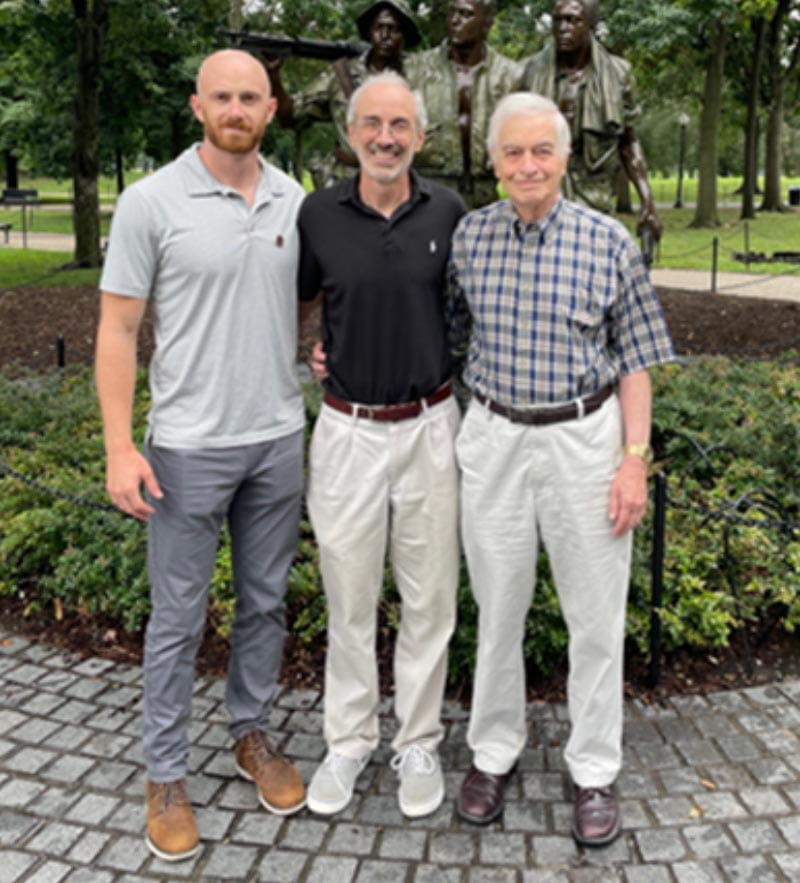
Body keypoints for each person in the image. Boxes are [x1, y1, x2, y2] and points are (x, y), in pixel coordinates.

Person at [95, 49, 307, 862]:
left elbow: (305, 301)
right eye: (222, 95)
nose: (236, 107)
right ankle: (165, 771)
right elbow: (116, 330)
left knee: (264, 601)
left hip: (278, 437)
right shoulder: (151, 201)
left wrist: (318, 355)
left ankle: (249, 731)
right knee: (178, 617)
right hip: (185, 446)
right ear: (197, 106)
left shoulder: (295, 198)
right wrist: (120, 445)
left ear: (271, 108)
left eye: (250, 96)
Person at [449, 92, 674, 846]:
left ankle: (594, 768)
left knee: (595, 617)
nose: (527, 164)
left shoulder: (608, 240)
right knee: (498, 610)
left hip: (585, 439)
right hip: (493, 439)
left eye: (541, 150)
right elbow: (442, 335)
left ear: (566, 157)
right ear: (493, 161)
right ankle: (492, 753)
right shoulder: (470, 239)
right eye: (512, 152)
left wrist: (633, 460)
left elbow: (639, 358)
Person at [297, 71, 464, 819]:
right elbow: (305, 298)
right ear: (351, 133)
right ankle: (349, 739)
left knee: (430, 600)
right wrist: (315, 346)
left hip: (432, 427)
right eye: (372, 123)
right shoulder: (318, 214)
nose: (385, 137)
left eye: (399, 124)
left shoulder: (453, 211)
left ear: (420, 136)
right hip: (347, 432)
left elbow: (468, 306)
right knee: (349, 596)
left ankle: (418, 739)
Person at [523, 0, 662, 244]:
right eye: (558, 20)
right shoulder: (528, 72)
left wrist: (647, 201)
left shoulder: (618, 74)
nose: (563, 28)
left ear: (591, 25)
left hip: (594, 201)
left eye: (573, 20)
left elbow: (628, 143)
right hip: (540, 199)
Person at [268, 0, 421, 185]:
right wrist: (273, 74)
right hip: (346, 183)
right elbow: (289, 115)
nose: (385, 36)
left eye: (393, 29)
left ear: (405, 36)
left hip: (400, 183)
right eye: (378, 28)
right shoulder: (342, 74)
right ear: (369, 32)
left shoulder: (420, 77)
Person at [405, 0, 523, 208]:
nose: (455, 21)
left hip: (489, 194)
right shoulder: (414, 70)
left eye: (465, 14)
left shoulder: (511, 76)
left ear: (486, 22)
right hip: (428, 189)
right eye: (451, 14)